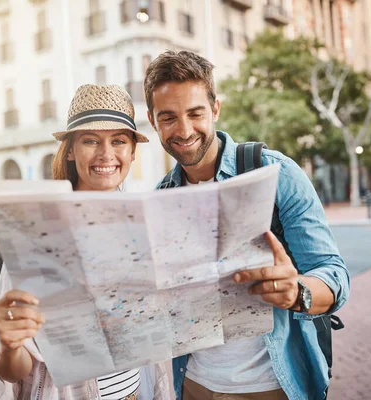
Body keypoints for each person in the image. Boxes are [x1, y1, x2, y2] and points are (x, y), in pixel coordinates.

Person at [144, 51, 351, 400]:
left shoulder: (276, 173)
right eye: (168, 118)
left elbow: (334, 273)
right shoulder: (161, 196)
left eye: (195, 113)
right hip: (193, 384)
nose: (183, 130)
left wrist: (297, 291)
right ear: (152, 121)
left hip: (273, 386)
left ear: (215, 110)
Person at [0, 84, 170, 400]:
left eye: (119, 141)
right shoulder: (37, 234)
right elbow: (12, 370)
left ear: (132, 152)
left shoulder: (141, 227)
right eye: (90, 141)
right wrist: (10, 343)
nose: (106, 154)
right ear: (70, 150)